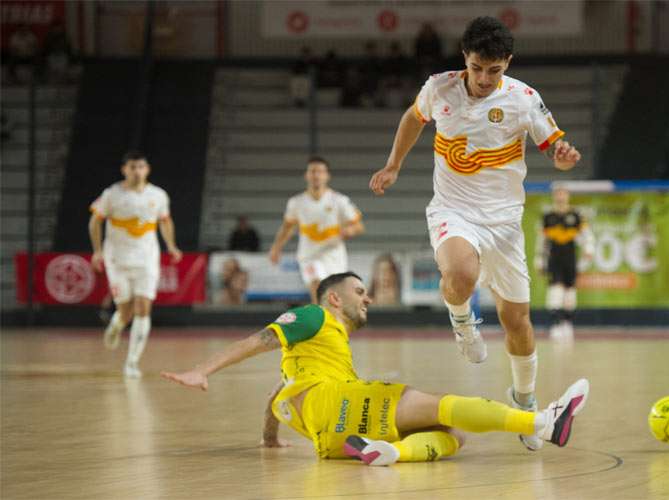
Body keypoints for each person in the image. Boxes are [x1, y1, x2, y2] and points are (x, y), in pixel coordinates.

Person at [368, 16, 582, 450]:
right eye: (477, 67)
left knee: (517, 321)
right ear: (465, 59)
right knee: (460, 276)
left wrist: (563, 157)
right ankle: (463, 323)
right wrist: (393, 164)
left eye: (494, 70)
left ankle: (524, 403)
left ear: (507, 64)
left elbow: (555, 151)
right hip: (453, 209)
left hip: (504, 221)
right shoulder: (439, 88)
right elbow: (413, 118)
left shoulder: (524, 99)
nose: (484, 79)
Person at [161, 272, 589, 465]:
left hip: (329, 438)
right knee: (444, 405)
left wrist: (268, 437)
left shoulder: (317, 353)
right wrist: (203, 370)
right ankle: (541, 423)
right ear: (334, 298)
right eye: (359, 292)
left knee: (452, 434)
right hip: (337, 401)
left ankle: (391, 452)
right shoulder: (314, 316)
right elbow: (257, 342)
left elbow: (280, 390)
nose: (367, 299)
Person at [89, 151, 182, 378]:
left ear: (147, 169)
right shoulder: (111, 194)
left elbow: (165, 222)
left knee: (143, 307)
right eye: (132, 167)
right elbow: (95, 222)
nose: (137, 171)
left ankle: (131, 362)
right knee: (126, 311)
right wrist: (97, 251)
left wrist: (171, 246)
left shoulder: (158, 195)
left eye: (141, 166)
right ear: (125, 170)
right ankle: (117, 324)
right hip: (117, 259)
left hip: (147, 259)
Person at [268, 156, 364, 303]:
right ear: (306, 175)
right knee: (317, 287)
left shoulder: (339, 200)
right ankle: (321, 325)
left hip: (334, 255)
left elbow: (359, 226)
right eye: (312, 171)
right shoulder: (296, 203)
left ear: (327, 176)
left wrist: (350, 231)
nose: (316, 175)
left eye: (320, 171)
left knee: (334, 297)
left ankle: (333, 324)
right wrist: (276, 248)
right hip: (309, 256)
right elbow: (287, 228)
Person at [535, 186, 594, 340]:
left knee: (570, 293)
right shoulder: (548, 217)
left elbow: (587, 235)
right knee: (555, 291)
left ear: (568, 196)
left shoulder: (576, 216)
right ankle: (556, 324)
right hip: (554, 258)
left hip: (571, 258)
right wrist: (539, 260)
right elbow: (542, 241)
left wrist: (588, 249)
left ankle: (567, 323)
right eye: (558, 194)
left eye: (563, 194)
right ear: (554, 197)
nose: (561, 197)